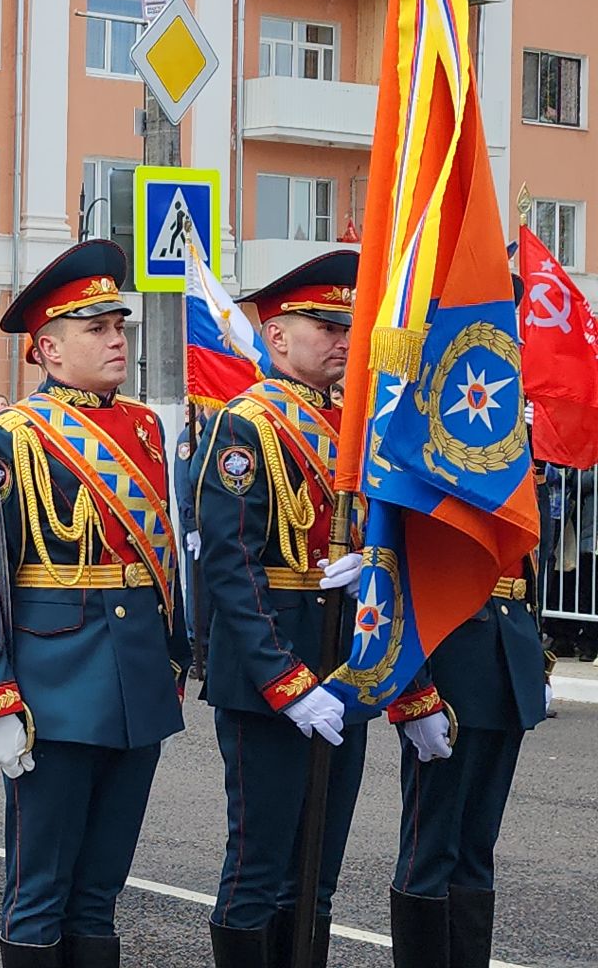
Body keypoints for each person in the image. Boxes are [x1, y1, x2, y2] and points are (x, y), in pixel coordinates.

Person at [194, 250, 444, 968]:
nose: (343, 341)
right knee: (259, 870)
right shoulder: (247, 424)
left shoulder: (355, 429)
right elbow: (231, 567)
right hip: (272, 671)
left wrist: (408, 684)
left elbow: (389, 560)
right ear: (276, 336)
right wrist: (286, 681)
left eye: (347, 327)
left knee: (317, 879)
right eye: (326, 327)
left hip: (344, 666)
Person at [0, 240, 189, 966]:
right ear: (49, 349)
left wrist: (175, 656)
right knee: (40, 891)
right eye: (97, 329)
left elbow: (163, 562)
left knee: (101, 893)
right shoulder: (11, 438)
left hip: (136, 682)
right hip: (52, 688)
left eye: (119, 326)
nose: (117, 340)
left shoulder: (145, 427)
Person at [388, 563, 546, 965]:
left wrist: (535, 659)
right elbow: (403, 568)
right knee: (430, 853)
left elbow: (524, 569)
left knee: (476, 853)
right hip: (451, 667)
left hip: (506, 660)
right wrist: (414, 691)